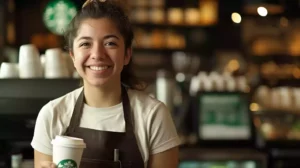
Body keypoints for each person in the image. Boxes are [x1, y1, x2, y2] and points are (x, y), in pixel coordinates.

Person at [31, 0, 181, 168]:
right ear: (73, 56)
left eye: (110, 43)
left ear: (126, 54)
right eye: (85, 44)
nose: (97, 54)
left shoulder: (153, 115)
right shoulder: (52, 115)